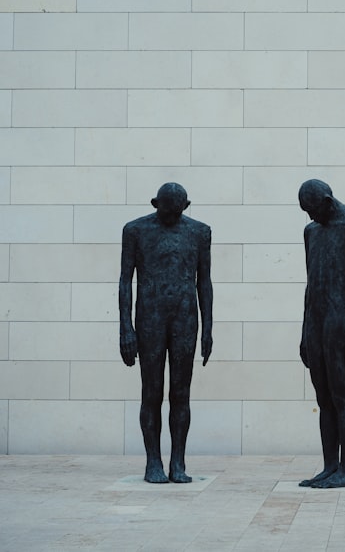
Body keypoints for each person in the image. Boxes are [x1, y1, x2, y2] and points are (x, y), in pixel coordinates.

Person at [119, 182, 213, 484]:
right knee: (152, 392)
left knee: (180, 393)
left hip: (185, 319)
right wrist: (126, 328)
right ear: (154, 204)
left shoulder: (200, 232)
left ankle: (178, 463)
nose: (170, 218)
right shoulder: (135, 231)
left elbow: (204, 283)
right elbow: (125, 282)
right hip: (150, 318)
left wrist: (208, 328)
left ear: (186, 207)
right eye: (164, 211)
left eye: (176, 213)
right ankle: (153, 462)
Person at [297, 179, 345, 489]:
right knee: (323, 396)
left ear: (327, 201)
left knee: (342, 394)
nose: (310, 217)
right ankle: (330, 466)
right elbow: (310, 283)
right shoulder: (311, 231)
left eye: (312, 210)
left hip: (340, 320)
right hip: (316, 320)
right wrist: (304, 331)